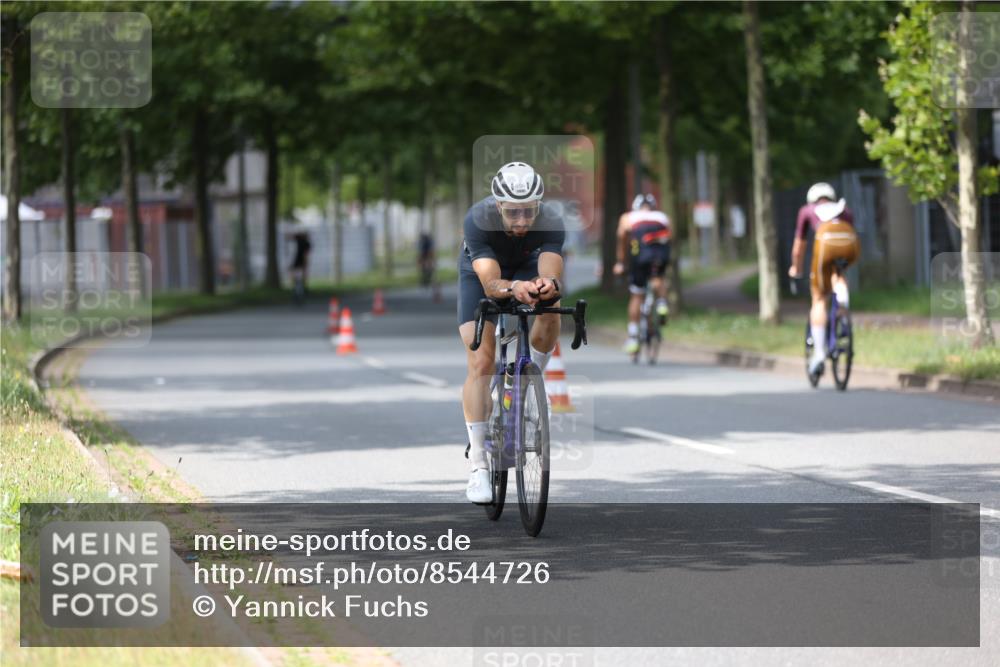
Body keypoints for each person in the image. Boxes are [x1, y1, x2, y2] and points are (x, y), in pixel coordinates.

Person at [458, 162, 565, 504]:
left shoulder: (551, 220)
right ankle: (478, 466)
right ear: (498, 206)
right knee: (482, 361)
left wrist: (546, 285)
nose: (522, 221)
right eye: (513, 213)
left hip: (527, 265)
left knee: (550, 311)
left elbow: (550, 273)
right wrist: (514, 286)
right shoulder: (478, 219)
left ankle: (527, 380)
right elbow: (490, 283)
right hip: (481, 274)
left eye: (529, 212)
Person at [788, 182, 860, 378]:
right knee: (839, 274)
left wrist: (796, 268)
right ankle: (842, 298)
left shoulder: (807, 211)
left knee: (819, 299)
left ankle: (819, 354)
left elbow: (799, 246)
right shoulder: (844, 210)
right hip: (847, 250)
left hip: (824, 251)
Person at [613, 193, 672, 354]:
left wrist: (621, 262)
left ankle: (633, 337)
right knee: (658, 278)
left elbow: (622, 235)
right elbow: (670, 236)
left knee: (637, 295)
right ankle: (662, 304)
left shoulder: (628, 217)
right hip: (660, 254)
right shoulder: (662, 216)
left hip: (640, 256)